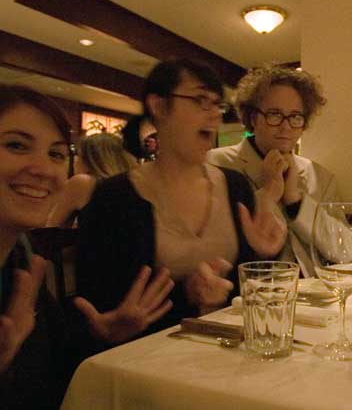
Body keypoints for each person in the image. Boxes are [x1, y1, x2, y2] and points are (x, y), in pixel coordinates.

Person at [0, 84, 175, 410]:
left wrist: (102, 333)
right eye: (16, 145)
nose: (43, 168)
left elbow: (44, 393)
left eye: (56, 154)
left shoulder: (22, 263)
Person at [76, 59, 286, 334]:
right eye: (200, 100)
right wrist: (188, 295)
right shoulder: (114, 197)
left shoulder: (236, 186)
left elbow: (251, 295)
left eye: (217, 105)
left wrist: (265, 256)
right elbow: (98, 307)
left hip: (231, 350)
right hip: (148, 359)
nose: (215, 115)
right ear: (159, 106)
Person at [208, 65, 337, 277]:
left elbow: (345, 250)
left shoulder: (320, 176)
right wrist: (267, 191)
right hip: (248, 294)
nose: (286, 127)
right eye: (274, 114)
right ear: (253, 118)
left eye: (295, 116)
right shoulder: (217, 164)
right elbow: (217, 245)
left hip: (314, 296)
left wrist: (296, 202)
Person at [45, 132, 135, 227]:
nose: (75, 161)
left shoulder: (83, 182)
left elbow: (51, 226)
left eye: (79, 156)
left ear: (90, 160)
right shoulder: (132, 189)